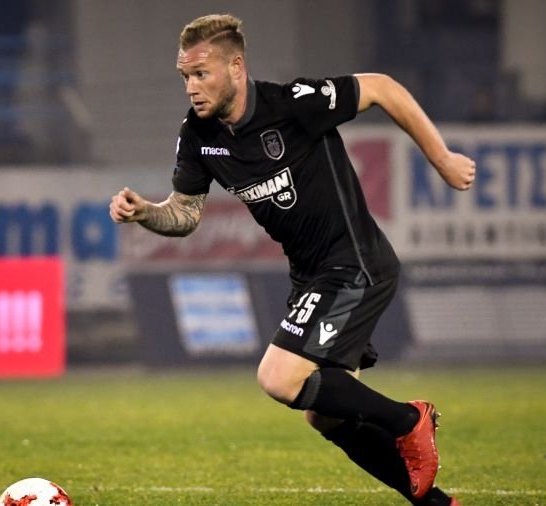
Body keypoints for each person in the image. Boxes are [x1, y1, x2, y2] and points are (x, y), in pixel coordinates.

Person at [109, 14, 474, 506]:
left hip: (354, 262)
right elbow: (185, 214)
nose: (191, 87)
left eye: (201, 74)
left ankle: (410, 420)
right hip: (310, 276)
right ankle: (437, 504)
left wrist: (442, 159)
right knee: (326, 415)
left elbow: (383, 88)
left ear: (236, 67)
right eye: (185, 76)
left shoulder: (293, 104)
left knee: (278, 377)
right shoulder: (197, 134)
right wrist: (145, 213)